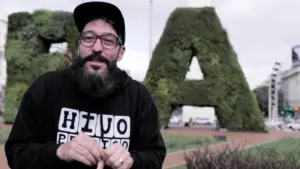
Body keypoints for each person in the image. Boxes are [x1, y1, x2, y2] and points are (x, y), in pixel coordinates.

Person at [5, 1, 166, 169]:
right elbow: (16, 151)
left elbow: (155, 156)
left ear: (121, 52)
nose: (96, 48)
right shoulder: (46, 87)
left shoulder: (138, 97)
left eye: (108, 40)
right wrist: (58, 151)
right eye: (88, 38)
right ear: (79, 46)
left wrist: (132, 161)